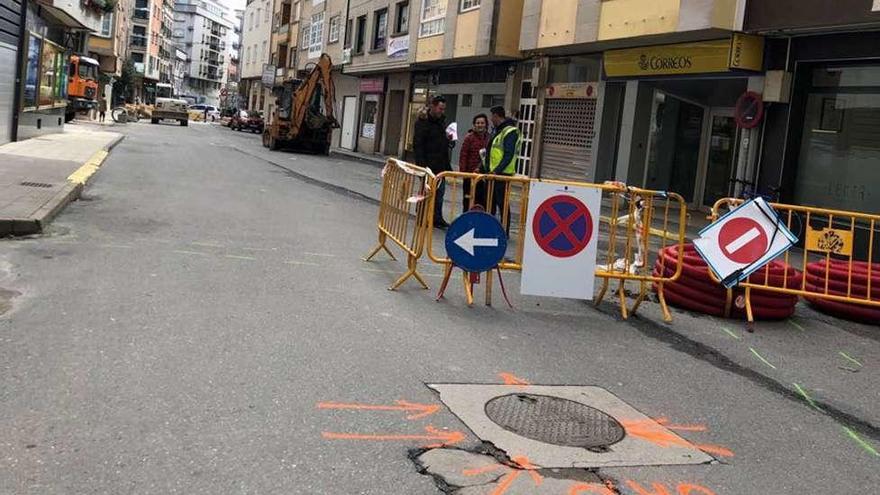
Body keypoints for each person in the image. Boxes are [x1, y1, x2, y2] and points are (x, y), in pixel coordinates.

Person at [413, 95, 455, 228]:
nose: (442, 111)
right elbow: (418, 145)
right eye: (440, 108)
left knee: (440, 193)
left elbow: (440, 142)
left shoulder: (441, 122)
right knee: (426, 192)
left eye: (443, 109)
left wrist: (448, 140)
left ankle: (437, 218)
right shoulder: (422, 122)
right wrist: (421, 166)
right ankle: (421, 216)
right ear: (432, 106)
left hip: (440, 164)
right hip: (427, 164)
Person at [483, 106, 522, 226]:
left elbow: (508, 154)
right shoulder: (498, 130)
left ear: (496, 116)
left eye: (491, 117)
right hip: (493, 173)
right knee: (491, 202)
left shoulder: (509, 132)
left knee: (502, 203)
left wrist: (497, 171)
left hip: (502, 174)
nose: (490, 119)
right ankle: (491, 227)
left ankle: (504, 230)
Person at [458, 114, 490, 212]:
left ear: (486, 125)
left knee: (482, 202)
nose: (480, 125)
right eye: (477, 123)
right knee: (468, 202)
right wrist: (464, 174)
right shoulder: (469, 138)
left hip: (484, 177)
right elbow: (463, 155)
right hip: (470, 176)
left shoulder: (489, 138)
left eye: (482, 123)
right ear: (474, 125)